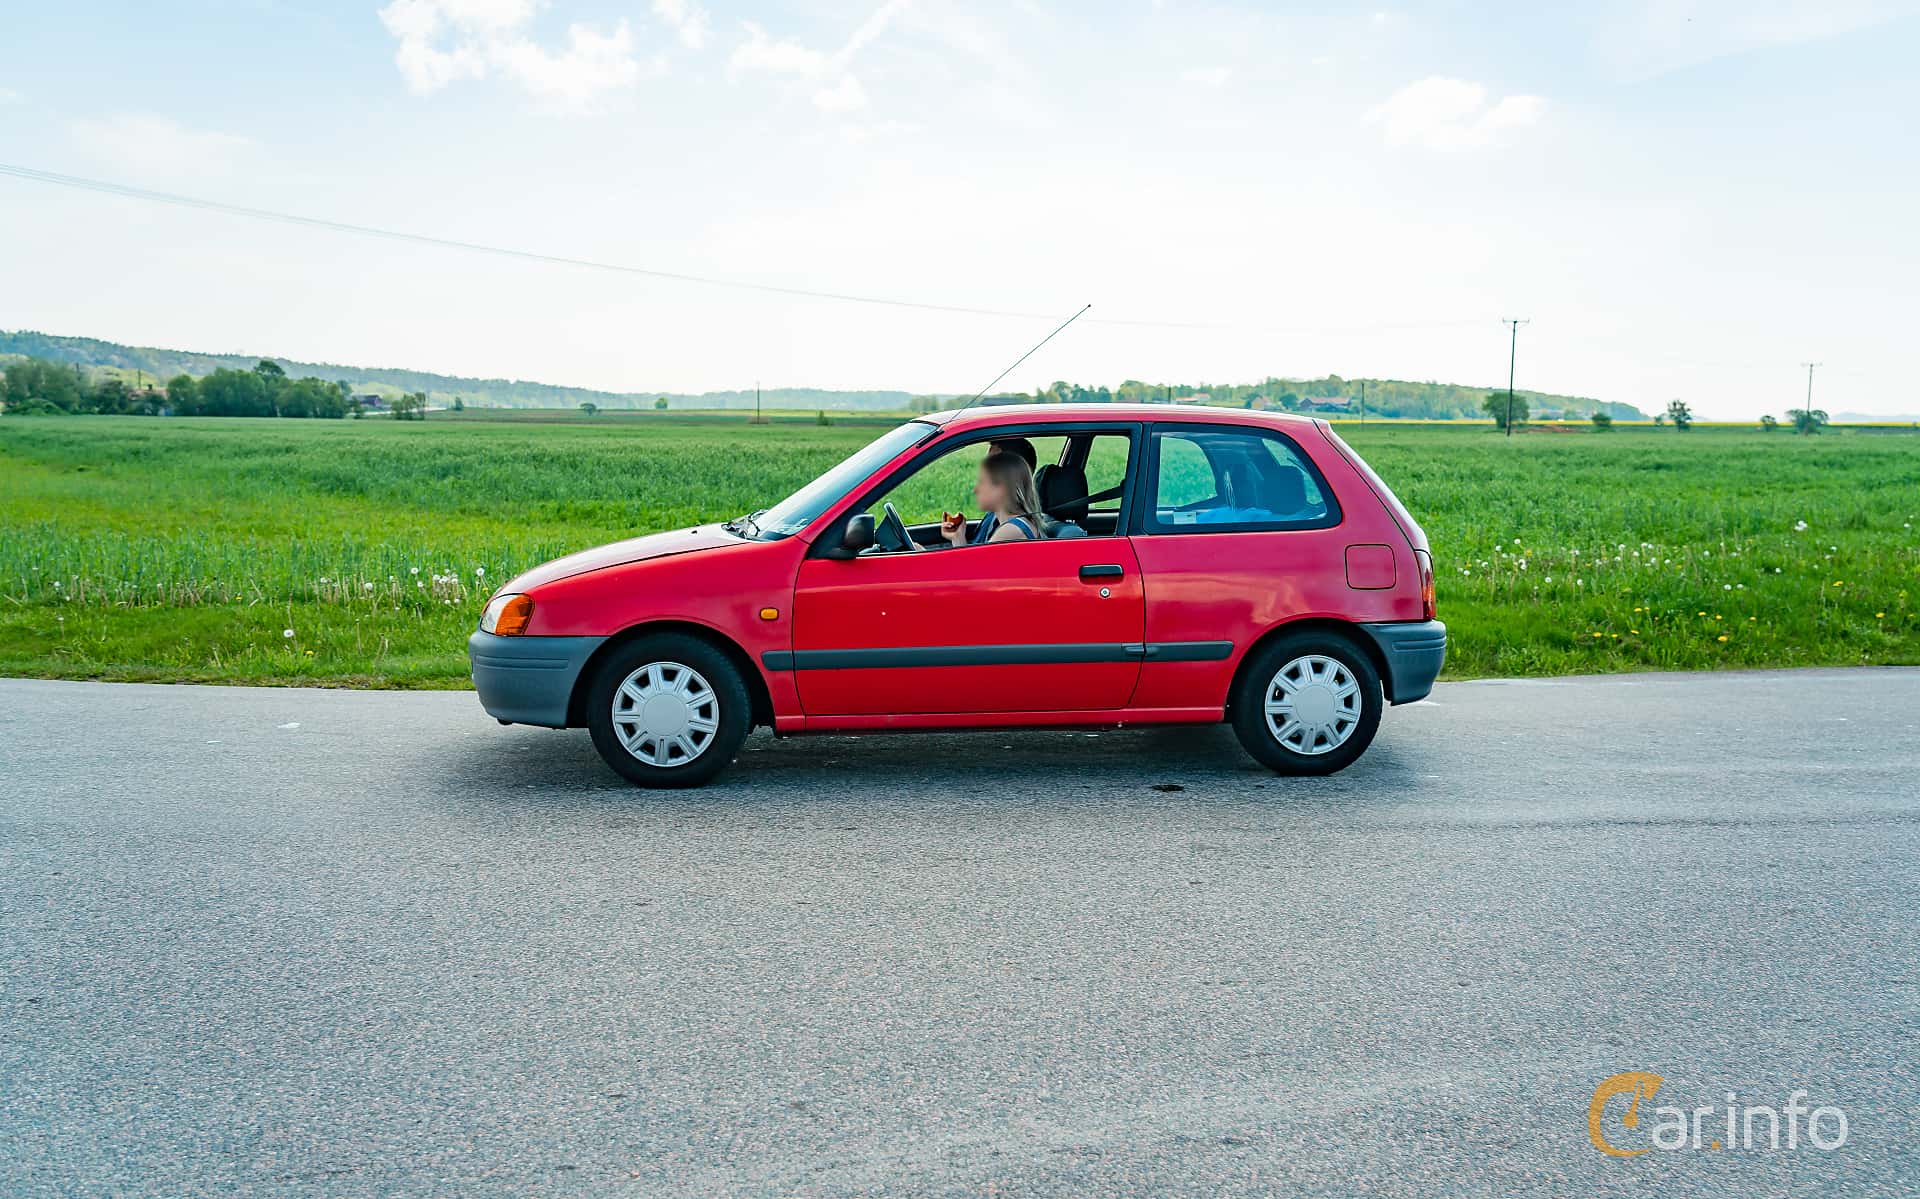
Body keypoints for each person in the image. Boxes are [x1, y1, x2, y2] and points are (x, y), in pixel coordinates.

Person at [939, 450, 1042, 546]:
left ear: (1002, 488)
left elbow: (971, 561)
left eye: (982, 482)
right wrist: (957, 536)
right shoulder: (1014, 524)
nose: (975, 490)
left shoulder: (1011, 530)